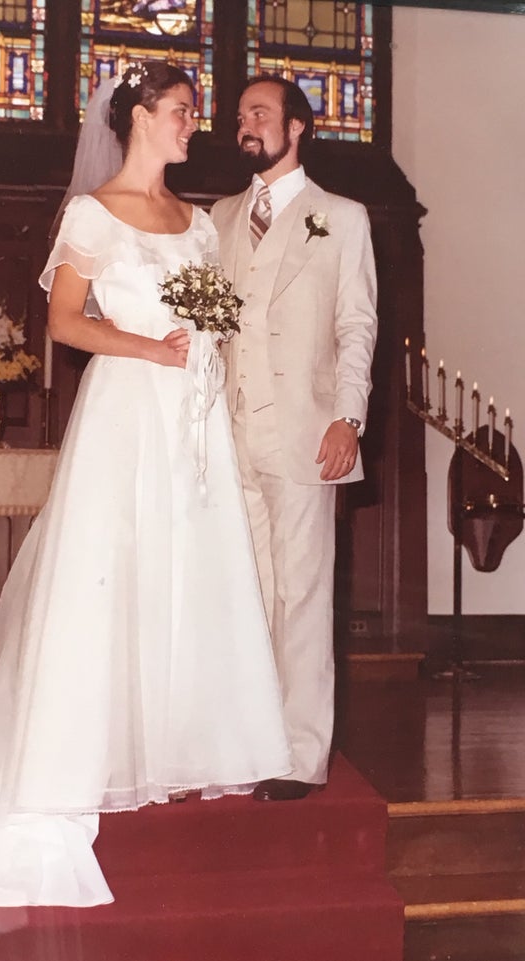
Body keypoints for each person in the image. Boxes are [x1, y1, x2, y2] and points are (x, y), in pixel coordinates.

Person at [0, 63, 292, 915]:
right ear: (141, 116)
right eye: (181, 113)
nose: (192, 127)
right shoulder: (91, 214)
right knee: (106, 581)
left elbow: (216, 318)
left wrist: (204, 355)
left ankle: (181, 746)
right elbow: (65, 322)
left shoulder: (197, 222)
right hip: (128, 410)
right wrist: (150, 349)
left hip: (194, 418)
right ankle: (82, 755)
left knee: (189, 574)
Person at [210, 76, 378, 802]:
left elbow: (356, 324)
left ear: (297, 127)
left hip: (309, 431)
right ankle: (247, 738)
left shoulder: (341, 217)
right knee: (246, 593)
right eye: (241, 114)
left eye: (260, 113)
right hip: (230, 432)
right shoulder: (217, 217)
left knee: (303, 593)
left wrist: (349, 415)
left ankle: (300, 753)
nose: (246, 124)